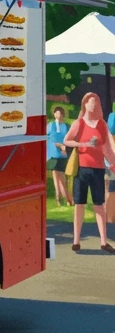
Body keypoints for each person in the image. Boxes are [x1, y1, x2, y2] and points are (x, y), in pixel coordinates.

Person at [64, 91, 115, 254]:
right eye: (90, 102)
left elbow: (106, 148)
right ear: (85, 104)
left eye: (96, 102)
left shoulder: (102, 124)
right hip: (81, 169)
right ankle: (76, 241)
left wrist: (113, 163)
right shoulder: (78, 123)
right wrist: (83, 144)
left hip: (98, 169)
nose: (93, 105)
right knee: (79, 204)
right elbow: (66, 140)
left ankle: (103, 242)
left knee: (99, 205)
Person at [46, 106, 72, 207]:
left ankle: (65, 198)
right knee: (56, 176)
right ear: (54, 114)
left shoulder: (66, 126)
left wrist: (65, 147)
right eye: (57, 113)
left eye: (61, 113)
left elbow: (69, 139)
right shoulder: (51, 125)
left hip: (63, 155)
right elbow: (49, 138)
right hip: (53, 154)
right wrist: (58, 145)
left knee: (61, 177)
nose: (59, 115)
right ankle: (60, 198)